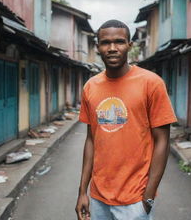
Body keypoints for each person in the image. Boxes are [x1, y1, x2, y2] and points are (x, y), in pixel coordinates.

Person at [75, 20, 177, 220]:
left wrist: (148, 197)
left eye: (119, 42)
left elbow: (162, 141)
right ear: (97, 48)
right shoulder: (91, 87)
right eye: (105, 43)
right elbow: (91, 140)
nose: (112, 48)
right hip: (98, 198)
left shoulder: (151, 83)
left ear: (130, 46)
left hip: (135, 200)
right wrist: (82, 192)